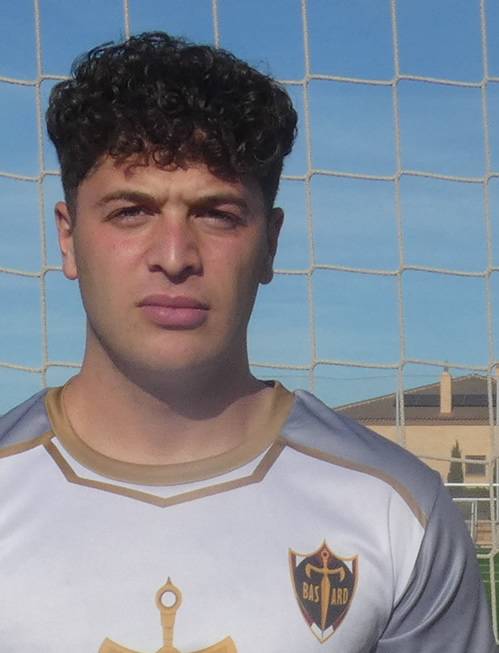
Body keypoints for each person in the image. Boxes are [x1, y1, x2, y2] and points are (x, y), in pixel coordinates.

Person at [0, 31, 496, 653]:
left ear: (270, 244)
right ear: (68, 238)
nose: (175, 256)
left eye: (218, 215)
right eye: (131, 212)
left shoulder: (397, 513)